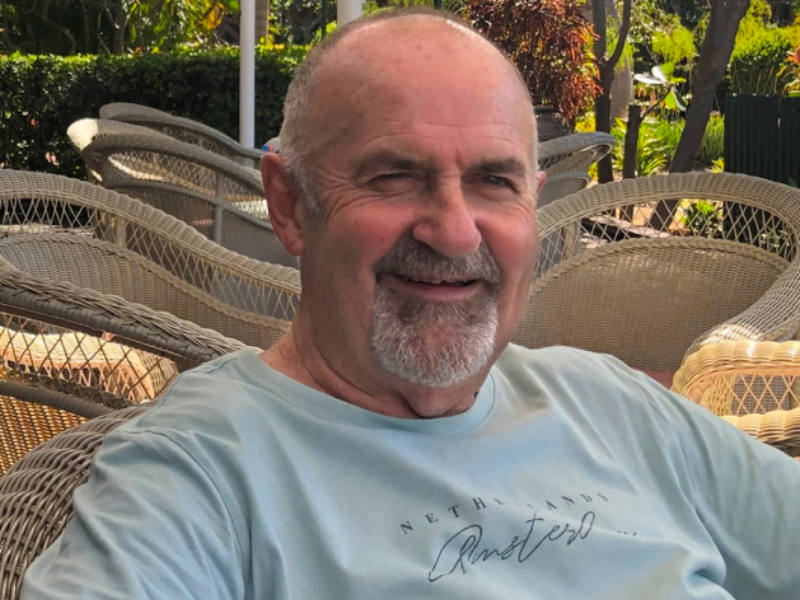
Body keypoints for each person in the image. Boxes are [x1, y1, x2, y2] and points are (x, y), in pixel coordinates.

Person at [22, 9, 800, 600]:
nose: (455, 231)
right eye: (393, 177)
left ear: (533, 203)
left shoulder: (615, 404)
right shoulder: (200, 471)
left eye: (493, 181)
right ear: (290, 206)